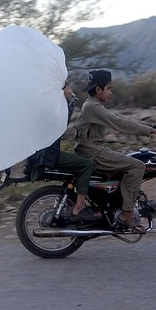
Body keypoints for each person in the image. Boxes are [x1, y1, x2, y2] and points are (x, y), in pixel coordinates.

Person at [74, 70, 156, 232]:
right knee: (137, 166)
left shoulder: (93, 105)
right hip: (92, 153)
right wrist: (152, 131)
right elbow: (119, 123)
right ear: (98, 90)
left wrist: (150, 128)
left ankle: (116, 207)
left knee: (126, 163)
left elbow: (120, 119)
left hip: (91, 151)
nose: (111, 92)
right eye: (109, 88)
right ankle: (127, 213)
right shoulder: (93, 107)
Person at [25, 84, 99, 221]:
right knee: (87, 165)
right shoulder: (53, 108)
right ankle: (80, 207)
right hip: (47, 155)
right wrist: (68, 100)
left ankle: (71, 203)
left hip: (39, 154)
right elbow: (61, 122)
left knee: (76, 161)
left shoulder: (42, 105)